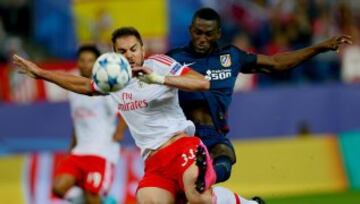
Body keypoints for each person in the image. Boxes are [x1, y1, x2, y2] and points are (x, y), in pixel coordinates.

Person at [13, 27, 264, 204]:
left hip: (181, 146)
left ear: (142, 49)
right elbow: (82, 85)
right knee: (147, 199)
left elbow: (201, 83)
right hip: (154, 162)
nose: (129, 55)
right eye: (122, 51)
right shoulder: (115, 81)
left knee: (197, 195)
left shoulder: (158, 64)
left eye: (134, 48)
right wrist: (41, 73)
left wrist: (158, 79)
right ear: (114, 55)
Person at [166, 7, 352, 184]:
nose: (202, 39)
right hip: (181, 134)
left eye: (208, 34)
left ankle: (205, 177)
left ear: (218, 34)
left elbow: (276, 62)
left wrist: (318, 48)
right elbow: (146, 80)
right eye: (198, 32)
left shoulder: (230, 57)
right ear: (191, 30)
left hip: (214, 133)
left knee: (226, 155)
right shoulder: (173, 58)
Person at [51, 45, 123, 204]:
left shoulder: (107, 87)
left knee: (92, 197)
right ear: (77, 63)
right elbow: (78, 123)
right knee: (58, 188)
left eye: (90, 60)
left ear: (97, 64)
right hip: (79, 152)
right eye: (82, 60)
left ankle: (102, 200)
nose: (85, 64)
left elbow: (125, 109)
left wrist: (119, 131)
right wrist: (71, 149)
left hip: (101, 153)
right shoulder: (73, 91)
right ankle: (103, 201)